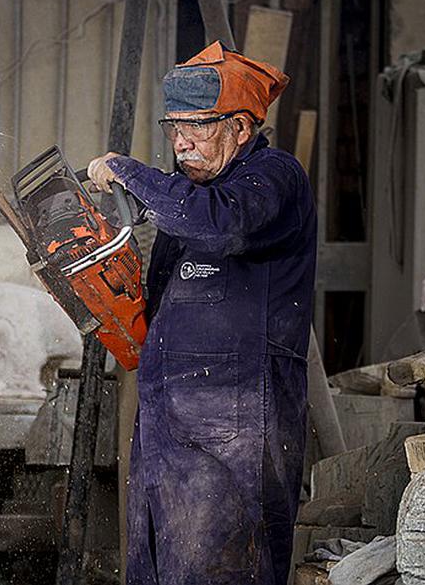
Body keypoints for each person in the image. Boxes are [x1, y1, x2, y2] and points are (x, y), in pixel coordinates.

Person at [87, 41, 315, 585]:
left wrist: (128, 172)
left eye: (198, 127)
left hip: (236, 438)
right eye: (173, 128)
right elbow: (157, 308)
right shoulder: (188, 203)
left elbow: (224, 223)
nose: (181, 142)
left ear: (240, 128)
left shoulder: (273, 178)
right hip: (170, 429)